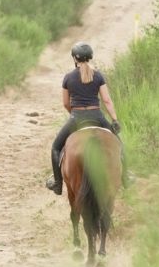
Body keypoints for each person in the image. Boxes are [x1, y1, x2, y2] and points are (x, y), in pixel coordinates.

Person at [48, 41, 121, 195]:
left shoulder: (68, 77)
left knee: (55, 147)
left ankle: (57, 183)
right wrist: (114, 120)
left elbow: (66, 103)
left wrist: (74, 115)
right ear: (90, 57)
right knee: (119, 144)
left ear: (75, 58)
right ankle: (126, 176)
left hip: (77, 117)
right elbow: (107, 100)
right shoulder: (98, 76)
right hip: (97, 115)